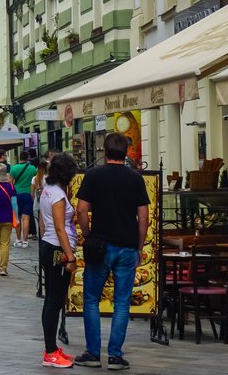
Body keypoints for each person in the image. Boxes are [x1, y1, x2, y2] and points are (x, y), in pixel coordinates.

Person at [75, 131, 150, 371]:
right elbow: (144, 217)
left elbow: (81, 210)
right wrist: (139, 247)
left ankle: (94, 353)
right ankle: (116, 356)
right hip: (127, 246)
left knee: (91, 300)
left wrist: (87, 234)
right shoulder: (136, 179)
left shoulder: (93, 175)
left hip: (100, 245)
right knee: (121, 303)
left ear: (104, 152)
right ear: (126, 152)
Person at [39, 153, 80, 369]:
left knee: (51, 301)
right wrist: (70, 257)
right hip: (57, 249)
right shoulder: (57, 196)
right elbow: (59, 228)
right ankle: (50, 352)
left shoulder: (48, 190)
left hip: (50, 246)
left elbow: (45, 225)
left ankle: (52, 348)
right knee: (54, 302)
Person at [10, 153, 38, 247]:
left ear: (19, 158)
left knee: (17, 218)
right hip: (28, 194)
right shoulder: (33, 168)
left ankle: (18, 240)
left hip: (16, 195)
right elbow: (35, 180)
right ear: (28, 158)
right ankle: (25, 241)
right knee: (26, 218)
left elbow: (10, 182)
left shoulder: (13, 168)